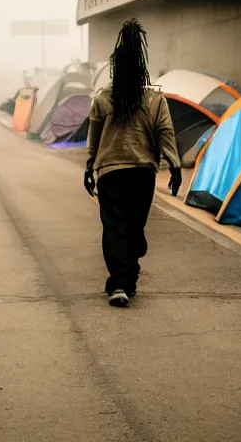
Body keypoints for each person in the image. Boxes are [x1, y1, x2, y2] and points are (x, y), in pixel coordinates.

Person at [84, 18, 182, 308]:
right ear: (143, 68)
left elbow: (94, 137)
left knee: (117, 227)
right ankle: (121, 282)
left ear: (115, 68)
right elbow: (166, 132)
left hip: (112, 173)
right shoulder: (153, 99)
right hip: (141, 174)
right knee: (132, 227)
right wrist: (174, 165)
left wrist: (90, 166)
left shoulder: (104, 97)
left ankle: (125, 275)